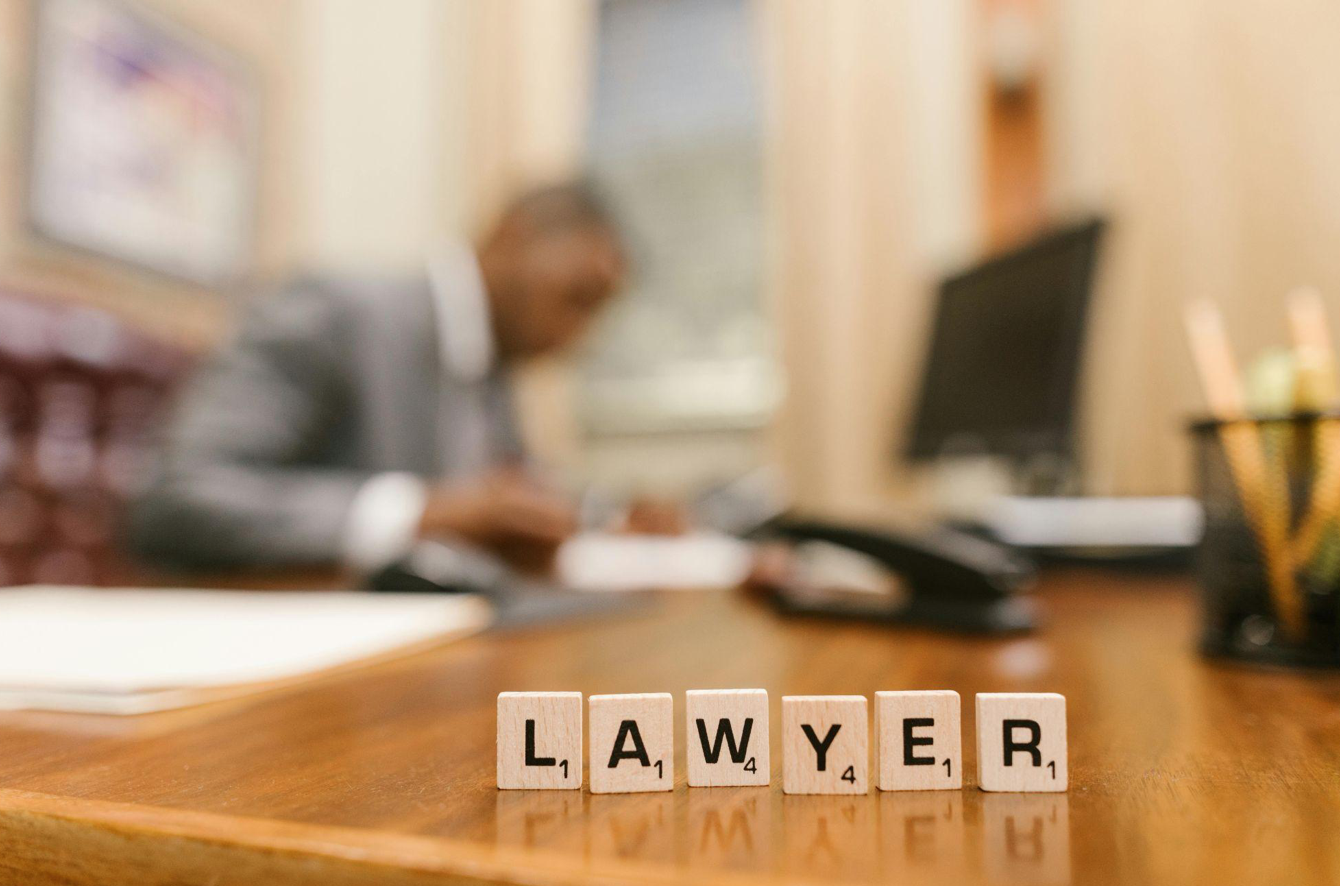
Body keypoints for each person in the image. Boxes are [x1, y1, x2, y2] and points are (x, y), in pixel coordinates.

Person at [129, 182, 627, 574]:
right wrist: (421, 515)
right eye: (579, 297)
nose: (578, 335)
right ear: (513, 234)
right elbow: (180, 496)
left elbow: (501, 501)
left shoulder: (493, 366)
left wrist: (598, 518)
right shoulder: (335, 311)